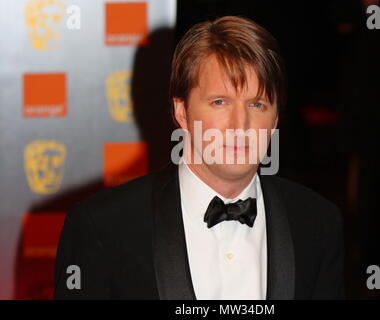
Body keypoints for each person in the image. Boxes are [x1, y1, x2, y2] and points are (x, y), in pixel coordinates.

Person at [54, 15, 344, 300]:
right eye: (220, 102)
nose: (239, 125)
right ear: (182, 112)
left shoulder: (317, 223)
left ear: (276, 117)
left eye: (257, 104)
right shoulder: (102, 227)